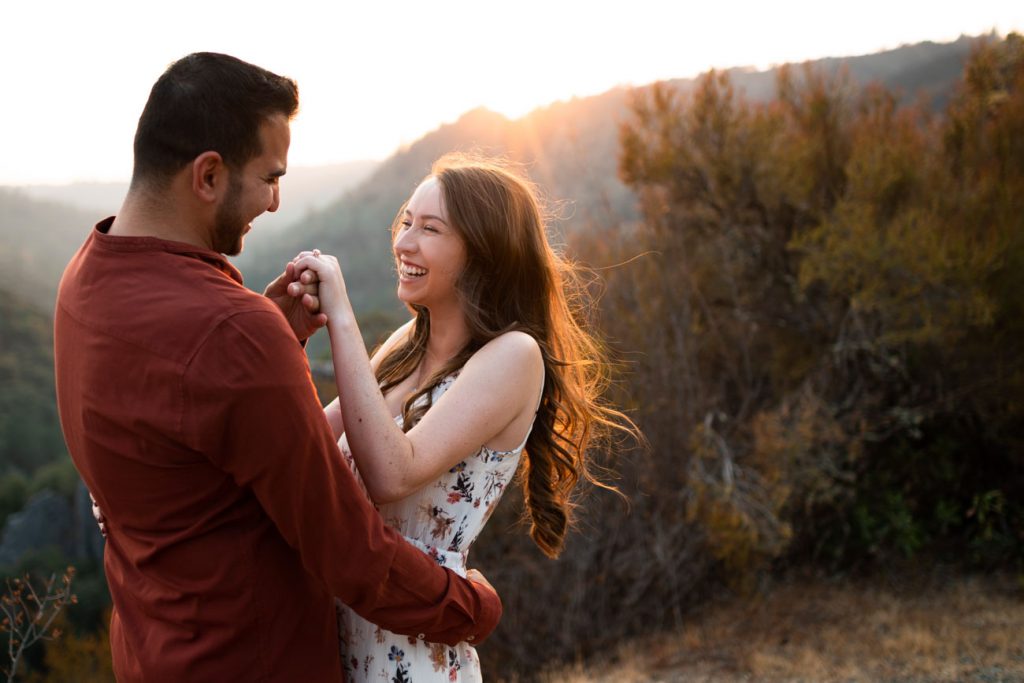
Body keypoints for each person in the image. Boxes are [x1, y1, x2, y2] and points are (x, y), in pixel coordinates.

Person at [53, 53, 501, 683]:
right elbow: (350, 552)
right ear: (208, 175)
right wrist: (472, 607)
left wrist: (270, 341)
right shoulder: (232, 334)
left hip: (150, 654)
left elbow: (179, 448)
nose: (275, 199)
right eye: (268, 176)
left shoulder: (82, 280)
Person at [292, 154, 632, 682]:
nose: (404, 242)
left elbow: (391, 473)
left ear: (483, 251)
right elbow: (302, 445)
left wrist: (340, 315)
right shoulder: (409, 345)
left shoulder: (514, 356)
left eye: (430, 229)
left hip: (413, 655)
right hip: (338, 644)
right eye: (406, 221)